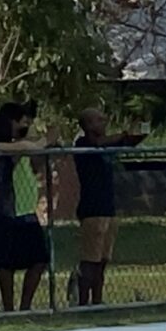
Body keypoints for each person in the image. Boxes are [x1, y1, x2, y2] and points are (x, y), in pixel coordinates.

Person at [0, 106, 51, 313]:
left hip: (6, 212)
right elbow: (26, 147)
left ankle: (13, 307)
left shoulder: (6, 150)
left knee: (18, 260)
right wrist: (46, 140)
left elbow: (27, 155)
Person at [68, 108, 143, 306]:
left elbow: (126, 142)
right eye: (98, 120)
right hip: (92, 208)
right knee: (90, 259)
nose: (104, 122)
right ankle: (83, 301)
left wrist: (134, 133)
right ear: (88, 125)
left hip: (108, 207)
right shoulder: (83, 144)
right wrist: (121, 135)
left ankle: (98, 300)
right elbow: (98, 142)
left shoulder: (107, 146)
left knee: (102, 260)